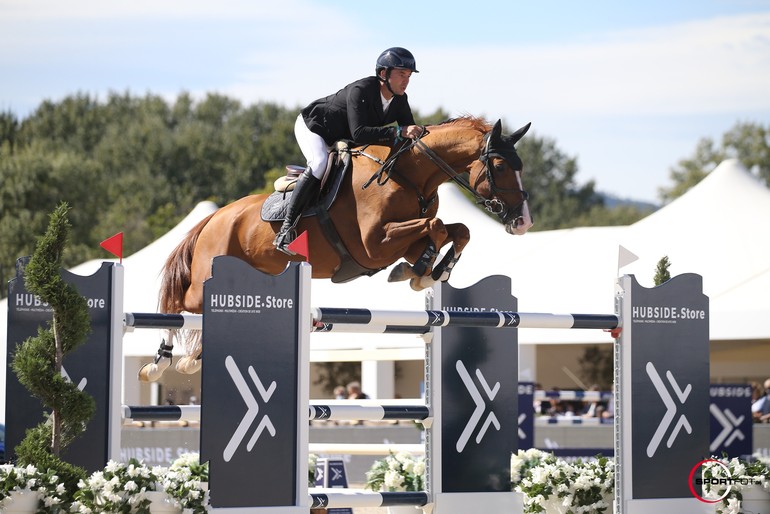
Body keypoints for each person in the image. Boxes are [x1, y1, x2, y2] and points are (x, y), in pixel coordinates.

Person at [274, 47, 423, 254]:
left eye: (408, 76)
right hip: (315, 127)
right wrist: (398, 131)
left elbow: (408, 138)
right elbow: (360, 133)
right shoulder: (361, 90)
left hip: (342, 137)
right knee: (319, 163)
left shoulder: (400, 100)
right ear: (383, 74)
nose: (406, 81)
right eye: (401, 74)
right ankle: (286, 230)